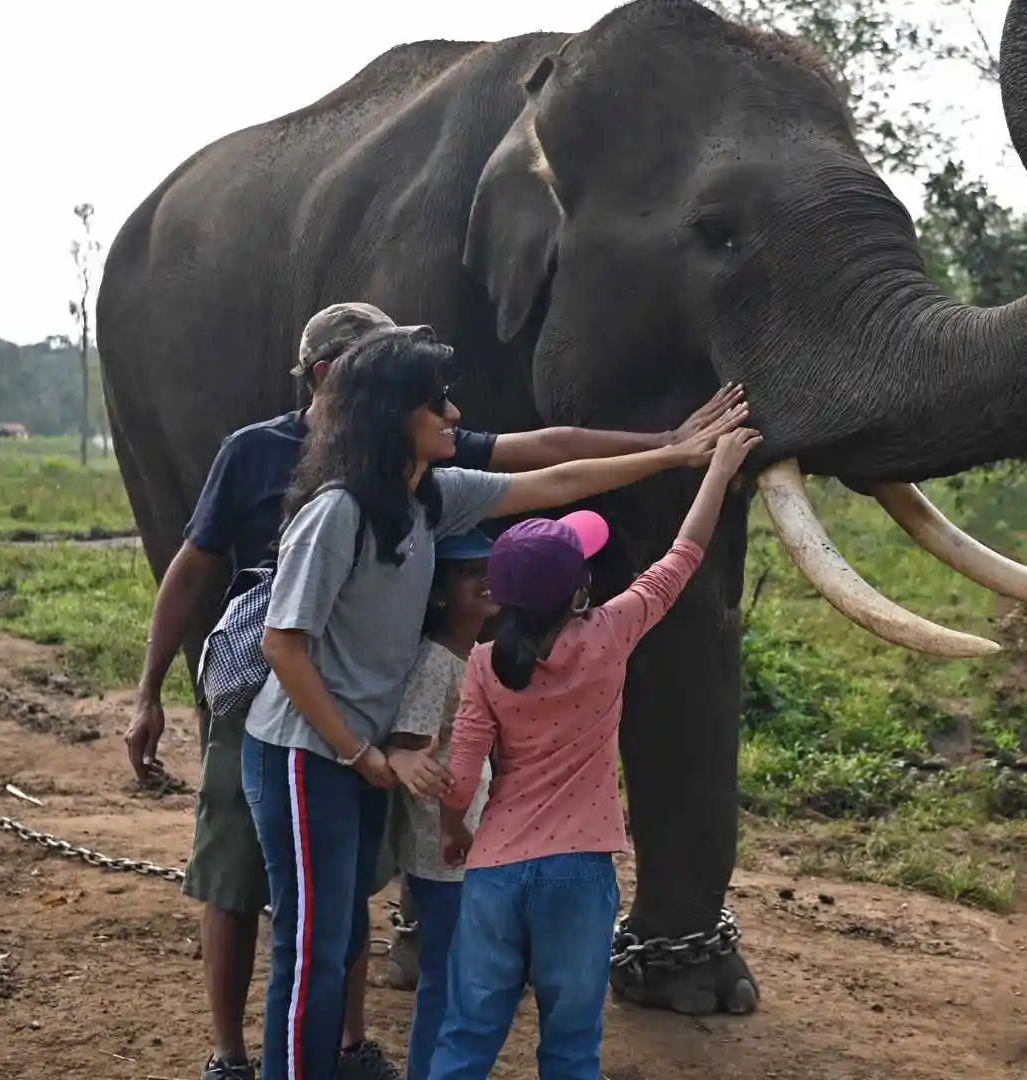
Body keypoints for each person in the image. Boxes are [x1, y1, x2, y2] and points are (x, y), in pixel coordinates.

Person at [123, 300, 746, 1080]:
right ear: (391, 414)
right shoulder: (339, 511)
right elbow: (284, 644)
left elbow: (554, 476)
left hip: (353, 753)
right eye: (436, 402)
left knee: (342, 936)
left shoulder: (428, 495)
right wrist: (359, 753)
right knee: (312, 945)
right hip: (304, 752)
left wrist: (675, 454)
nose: (455, 413)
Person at [406, 425, 762, 1080]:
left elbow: (459, 784)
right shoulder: (611, 633)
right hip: (578, 879)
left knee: (465, 1037)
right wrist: (718, 469)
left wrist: (457, 832)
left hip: (495, 877)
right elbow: (682, 558)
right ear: (577, 591)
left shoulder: (483, 664)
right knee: (570, 1048)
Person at [381, 527, 498, 1080]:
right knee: (447, 976)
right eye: (471, 572)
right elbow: (408, 747)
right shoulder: (436, 662)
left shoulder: (471, 655)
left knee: (457, 973)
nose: (486, 579)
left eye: (490, 568)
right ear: (441, 593)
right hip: (440, 850)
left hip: (462, 842)